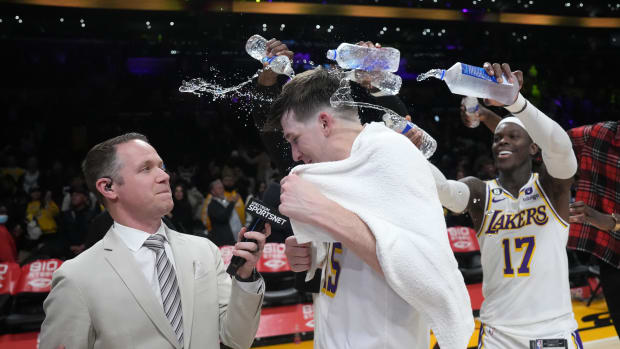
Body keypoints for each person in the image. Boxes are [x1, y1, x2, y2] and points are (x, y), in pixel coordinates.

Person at [267, 67, 474, 349]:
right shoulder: (334, 172)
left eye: (294, 139)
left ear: (325, 123)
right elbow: (361, 245)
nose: (295, 155)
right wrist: (311, 255)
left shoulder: (391, 153)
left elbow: (427, 274)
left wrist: (324, 212)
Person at [40, 133, 268, 349]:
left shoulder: (204, 251)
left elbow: (238, 339)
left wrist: (246, 277)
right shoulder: (76, 277)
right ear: (108, 188)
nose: (164, 176)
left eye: (162, 166)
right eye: (146, 169)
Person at [427, 63, 582, 348]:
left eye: (513, 136)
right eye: (498, 138)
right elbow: (442, 190)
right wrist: (406, 146)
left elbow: (560, 147)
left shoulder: (552, 187)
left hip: (553, 330)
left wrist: (516, 103)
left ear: (533, 148)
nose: (502, 142)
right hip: (499, 333)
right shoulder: (481, 192)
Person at [567, 120, 619, 338]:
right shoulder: (600, 134)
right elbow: (545, 144)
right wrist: (512, 105)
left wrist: (611, 222)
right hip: (613, 256)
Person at [207, 179, 242, 246]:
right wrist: (232, 203)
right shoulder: (212, 205)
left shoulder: (226, 200)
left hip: (236, 238)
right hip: (225, 242)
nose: (222, 190)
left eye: (222, 188)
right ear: (213, 192)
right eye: (219, 188)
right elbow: (223, 217)